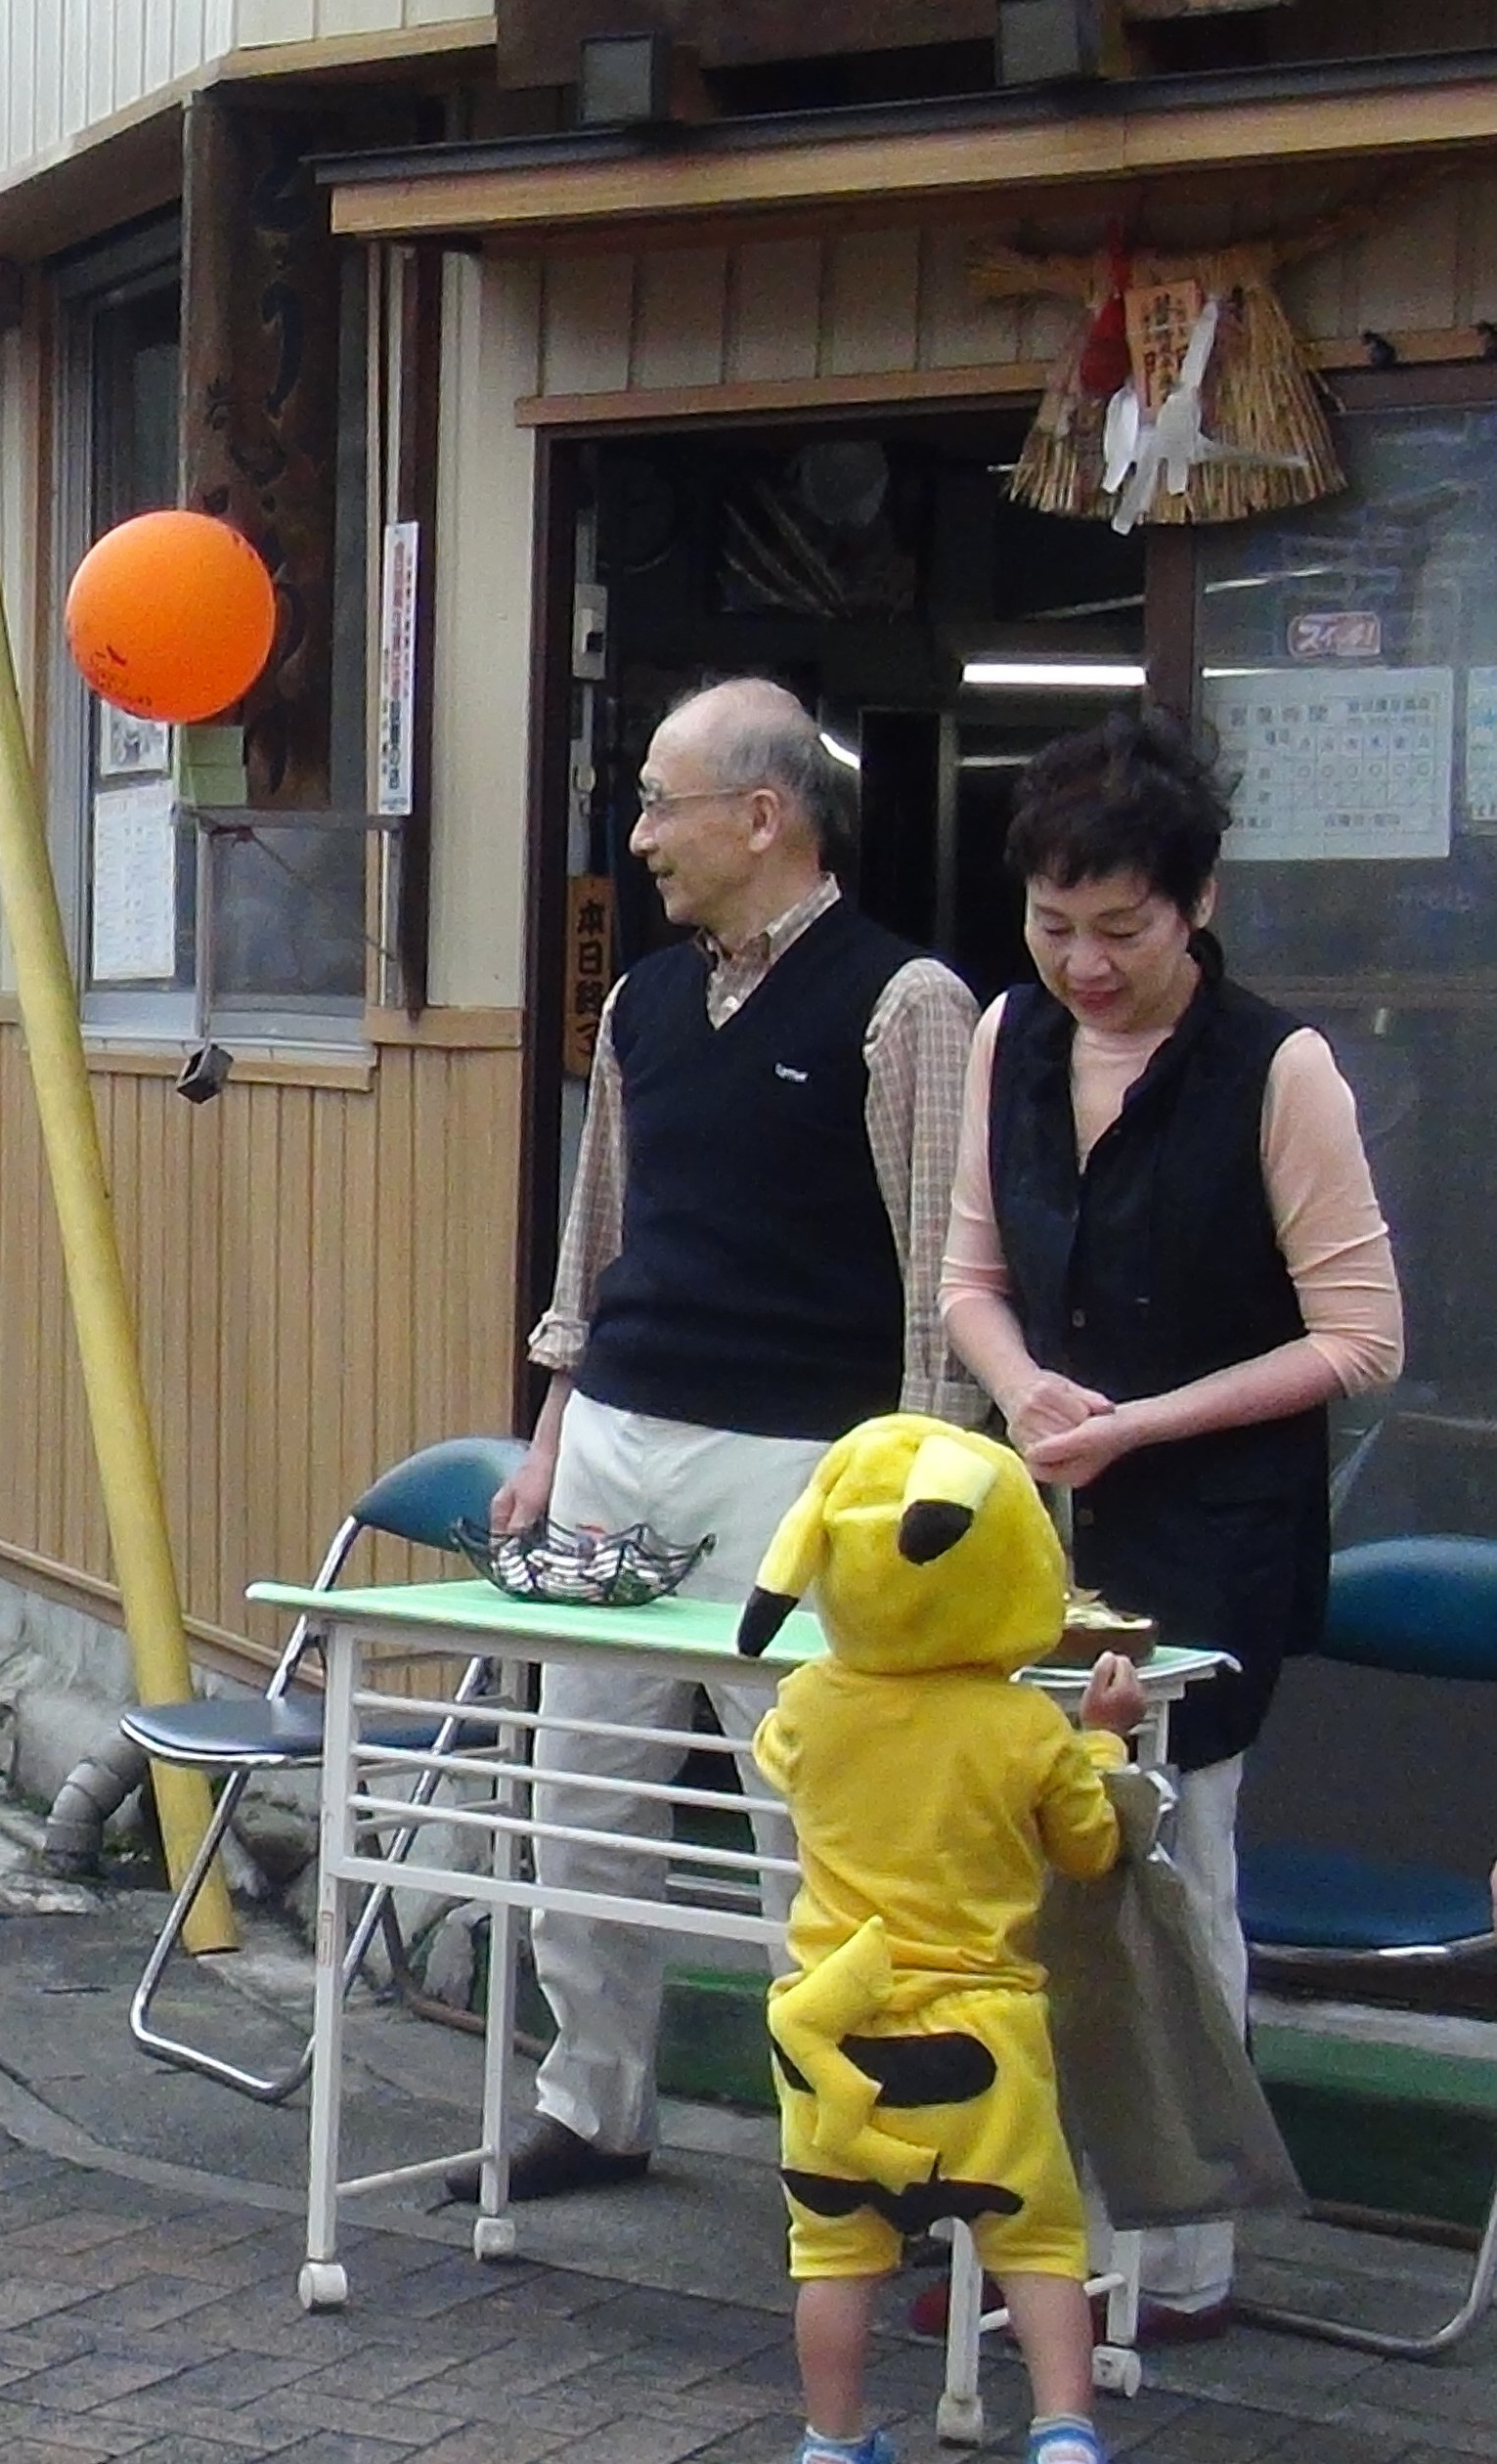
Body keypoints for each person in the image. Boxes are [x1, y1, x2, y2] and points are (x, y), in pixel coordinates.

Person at [473, 675, 979, 2203]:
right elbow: (596, 1243)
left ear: (762, 817)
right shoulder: (639, 1000)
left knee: (810, 1824)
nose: (636, 838)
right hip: (620, 1428)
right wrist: (548, 1434)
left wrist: (927, 1492)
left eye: (656, 806)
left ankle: (849, 2139)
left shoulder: (907, 1003)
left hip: (807, 1461)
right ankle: (592, 2098)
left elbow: (943, 1276)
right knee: (581, 1792)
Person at [939, 704, 1402, 2337]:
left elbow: (1360, 1338)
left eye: (1122, 930)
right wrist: (1025, 1391)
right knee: (1015, 1862)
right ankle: (1033, 2235)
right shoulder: (1008, 1037)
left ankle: (1179, 2258)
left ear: (1196, 906)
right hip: (1043, 1519)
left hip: (1209, 1530)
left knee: (1170, 1867)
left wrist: (1138, 1422)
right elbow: (967, 1276)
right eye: (1052, 925)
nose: (1084, 963)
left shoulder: (1277, 1069)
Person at [737, 1416, 1140, 2464]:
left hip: (833, 2036)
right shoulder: (1026, 1728)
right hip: (982, 2033)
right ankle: (1063, 2433)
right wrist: (1106, 1745)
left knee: (832, 2256)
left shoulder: (806, 1705)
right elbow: (1091, 1849)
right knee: (1037, 2243)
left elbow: (783, 1757)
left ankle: (833, 2441)